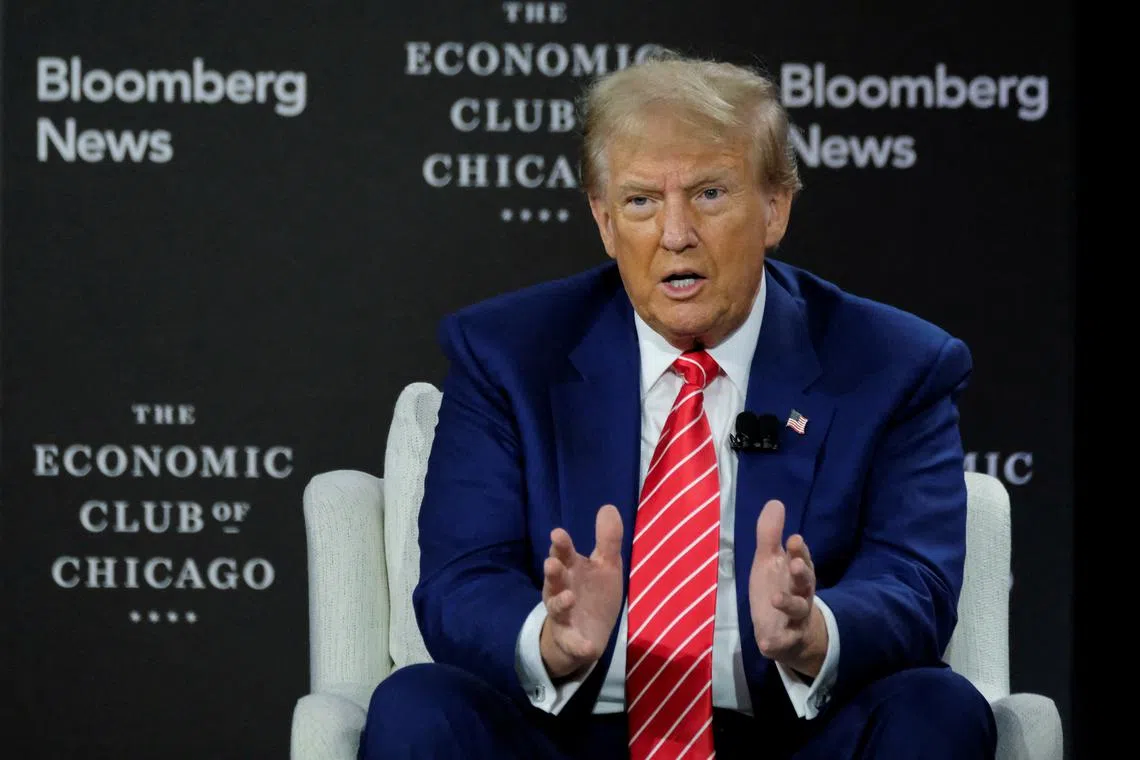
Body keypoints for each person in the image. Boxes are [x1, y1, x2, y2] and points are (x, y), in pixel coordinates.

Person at [358, 52, 996, 760]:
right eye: (640, 201)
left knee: (938, 710)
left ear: (776, 206)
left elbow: (916, 576)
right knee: (417, 707)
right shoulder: (510, 356)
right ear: (604, 221)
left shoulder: (892, 365)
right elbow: (461, 578)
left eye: (710, 194)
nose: (674, 233)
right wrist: (552, 637)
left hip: (791, 735)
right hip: (568, 734)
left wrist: (812, 629)